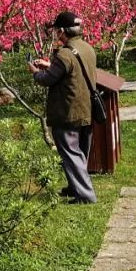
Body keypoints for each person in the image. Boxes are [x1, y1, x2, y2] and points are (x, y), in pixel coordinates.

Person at [29, 11, 98, 205]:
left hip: (68, 110)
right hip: (86, 108)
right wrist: (51, 64)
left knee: (70, 153)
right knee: (80, 151)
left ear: (62, 31)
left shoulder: (65, 53)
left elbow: (47, 79)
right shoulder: (87, 48)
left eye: (57, 31)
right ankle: (74, 187)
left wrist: (35, 71)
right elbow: (72, 71)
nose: (56, 35)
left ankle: (85, 195)